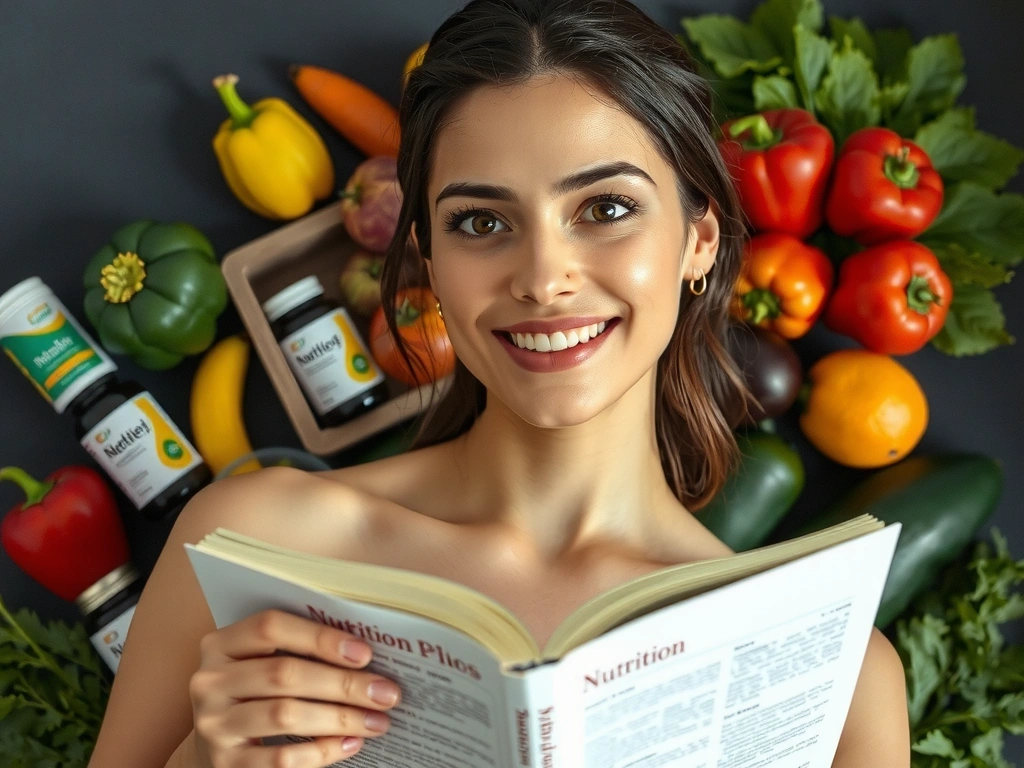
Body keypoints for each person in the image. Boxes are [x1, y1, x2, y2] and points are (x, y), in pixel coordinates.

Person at [87, 1, 911, 766]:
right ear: (430, 263)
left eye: (605, 208)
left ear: (699, 238)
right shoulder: (255, 542)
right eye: (482, 223)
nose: (544, 277)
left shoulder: (842, 679)